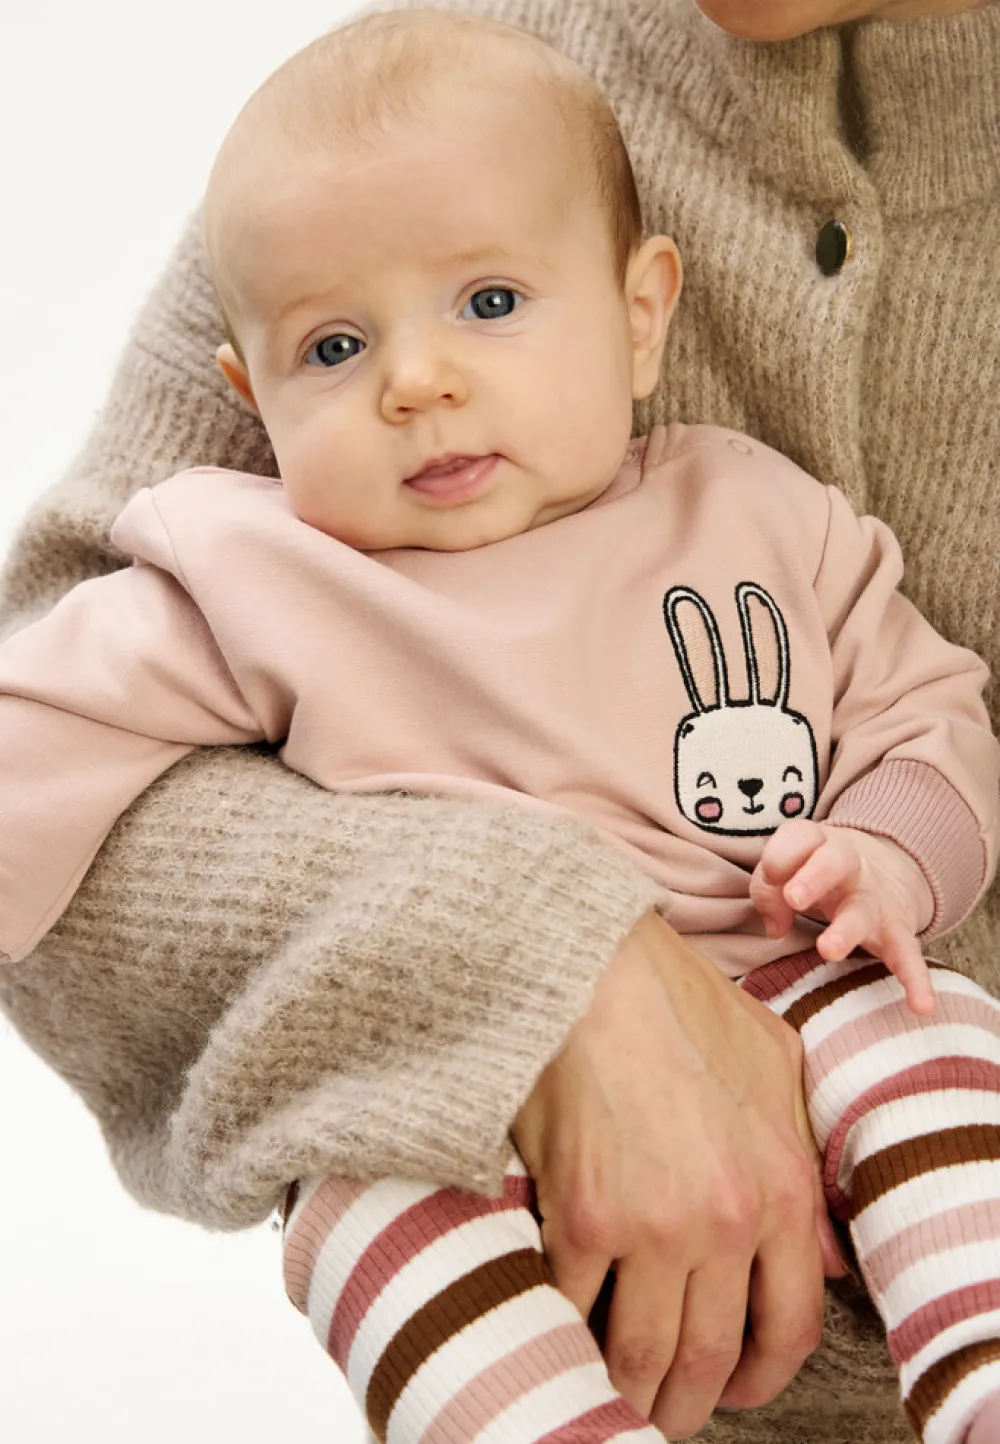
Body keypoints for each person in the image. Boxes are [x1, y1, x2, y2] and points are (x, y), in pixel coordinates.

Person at [0, 2, 995, 1442]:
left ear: (642, 316)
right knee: (357, 1209)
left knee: (928, 1035)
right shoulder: (249, 577)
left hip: (806, 973)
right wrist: (525, 964)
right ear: (251, 397)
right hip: (469, 1098)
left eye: (488, 305)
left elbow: (928, 713)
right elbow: (34, 739)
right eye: (336, 346)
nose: (418, 381)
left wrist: (890, 862)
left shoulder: (748, 510)